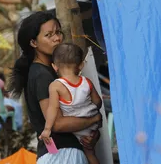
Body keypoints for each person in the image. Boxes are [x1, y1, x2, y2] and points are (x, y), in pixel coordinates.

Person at [8, 12, 102, 164]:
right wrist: (93, 119)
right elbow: (57, 124)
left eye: (58, 32)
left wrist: (92, 135)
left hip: (58, 152)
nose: (57, 38)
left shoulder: (53, 72)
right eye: (49, 35)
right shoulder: (42, 75)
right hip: (63, 155)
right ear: (33, 43)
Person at [39, 43, 102, 164]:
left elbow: (53, 108)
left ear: (54, 66)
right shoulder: (87, 81)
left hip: (76, 128)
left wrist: (47, 129)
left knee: (87, 153)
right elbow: (98, 102)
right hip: (92, 126)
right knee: (91, 154)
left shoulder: (55, 86)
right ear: (81, 65)